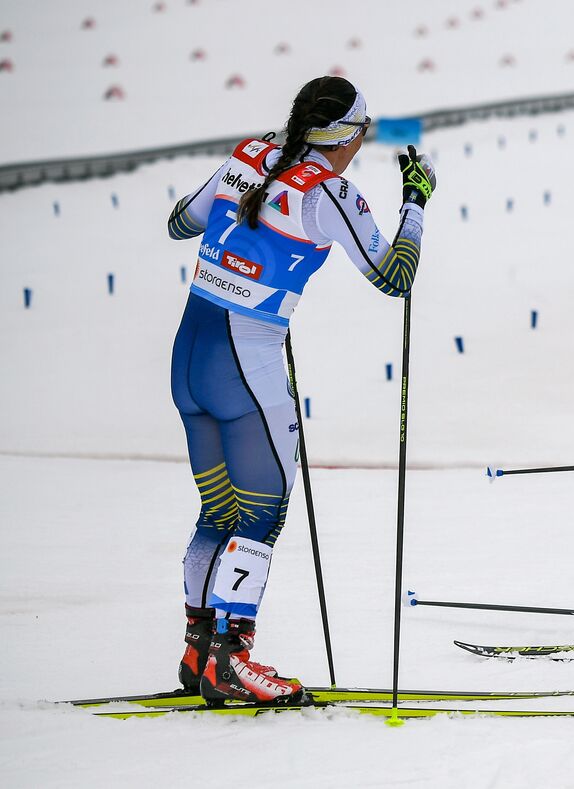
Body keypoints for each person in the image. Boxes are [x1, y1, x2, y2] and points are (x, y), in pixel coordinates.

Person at [164, 76, 436, 703]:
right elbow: (395, 277)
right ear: (345, 136)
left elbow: (181, 222)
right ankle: (231, 660)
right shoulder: (329, 192)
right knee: (261, 514)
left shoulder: (250, 153)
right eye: (362, 133)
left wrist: (243, 233)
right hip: (244, 367)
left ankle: (200, 651)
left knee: (218, 512)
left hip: (189, 356)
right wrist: (415, 203)